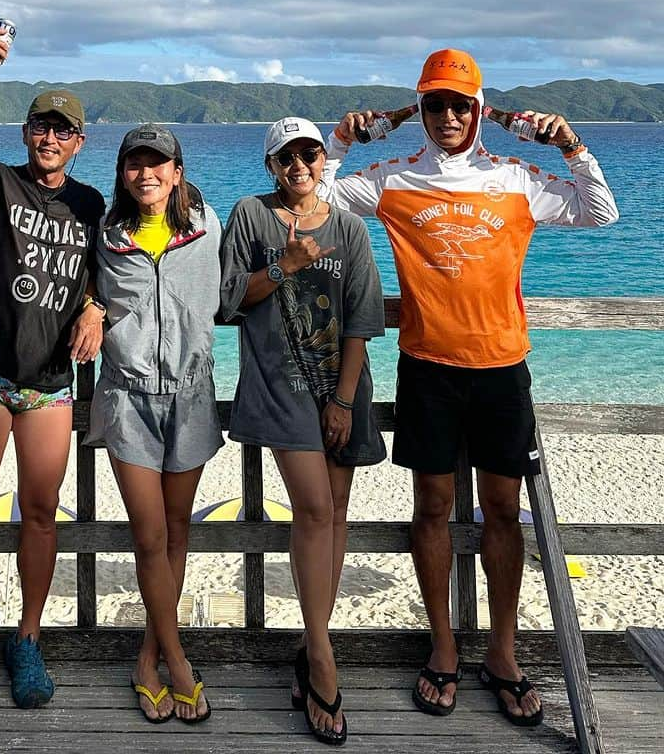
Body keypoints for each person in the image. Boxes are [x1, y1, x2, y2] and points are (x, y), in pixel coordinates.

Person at [322, 48, 619, 728]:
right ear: (420, 109)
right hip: (427, 365)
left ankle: (506, 653)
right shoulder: (395, 178)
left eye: (461, 104)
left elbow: (598, 212)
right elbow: (317, 197)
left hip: (502, 368)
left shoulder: (513, 176)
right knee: (431, 509)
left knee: (502, 512)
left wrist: (572, 144)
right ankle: (445, 647)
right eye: (435, 104)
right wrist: (342, 139)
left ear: (479, 109)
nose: (449, 116)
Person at [0, 28, 105, 709]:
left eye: (62, 132)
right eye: (42, 126)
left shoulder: (92, 204)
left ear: (78, 143)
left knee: (41, 510)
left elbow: (111, 271)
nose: (50, 139)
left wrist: (97, 306)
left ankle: (29, 637)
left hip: (48, 382)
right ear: (27, 131)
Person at [220, 117, 387, 747]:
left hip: (342, 385)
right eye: (285, 157)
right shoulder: (251, 216)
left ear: (324, 162)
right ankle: (321, 655)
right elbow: (228, 300)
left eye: (309, 154)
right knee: (314, 509)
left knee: (336, 510)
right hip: (280, 387)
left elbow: (361, 320)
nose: (298, 165)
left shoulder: (347, 228)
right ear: (270, 165)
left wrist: (344, 399)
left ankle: (311, 642)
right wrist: (285, 266)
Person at [85, 124, 222, 724]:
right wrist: (91, 306)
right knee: (149, 537)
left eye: (158, 164)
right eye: (135, 164)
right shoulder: (107, 234)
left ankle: (148, 660)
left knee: (177, 532)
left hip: (191, 396)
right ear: (122, 173)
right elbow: (83, 287)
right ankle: (179, 663)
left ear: (177, 170)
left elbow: (238, 286)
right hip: (128, 395)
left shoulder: (208, 228)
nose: (147, 174)